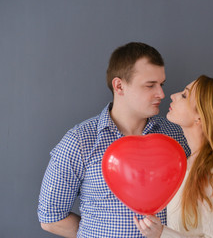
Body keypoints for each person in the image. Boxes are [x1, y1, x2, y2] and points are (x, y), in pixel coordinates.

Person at [37, 42, 190, 238]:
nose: (161, 94)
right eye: (150, 85)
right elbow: (51, 217)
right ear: (119, 86)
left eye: (162, 84)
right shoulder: (80, 141)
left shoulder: (176, 136)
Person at [134, 75, 213, 238]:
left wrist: (162, 234)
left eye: (184, 95)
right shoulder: (187, 164)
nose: (173, 95)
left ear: (200, 116)